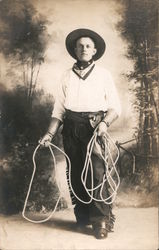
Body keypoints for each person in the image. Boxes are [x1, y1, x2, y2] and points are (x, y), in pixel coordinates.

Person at [39, 28, 121, 239]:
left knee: (96, 173)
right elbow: (59, 110)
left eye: (88, 46)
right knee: (75, 173)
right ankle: (82, 216)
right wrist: (49, 134)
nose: (84, 49)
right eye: (80, 46)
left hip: (95, 127)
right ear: (75, 50)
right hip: (71, 128)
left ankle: (101, 220)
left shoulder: (103, 75)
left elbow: (114, 107)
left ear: (94, 51)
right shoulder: (66, 76)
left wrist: (104, 123)